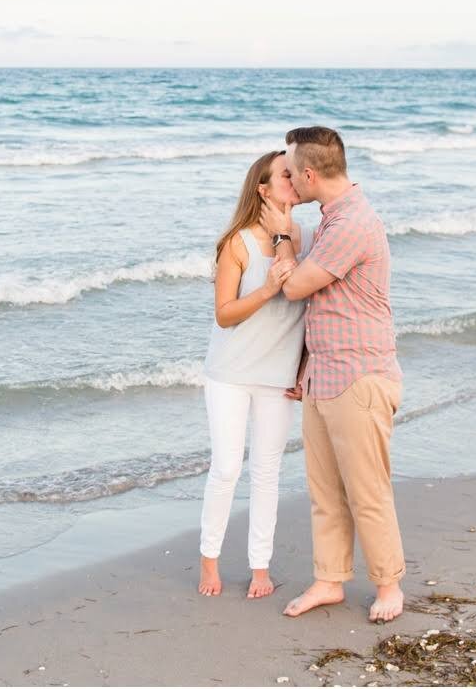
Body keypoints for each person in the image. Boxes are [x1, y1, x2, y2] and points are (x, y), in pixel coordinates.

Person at [260, 126, 406, 624]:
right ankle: (330, 580)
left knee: (366, 491)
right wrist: (302, 369)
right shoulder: (332, 218)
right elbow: (325, 306)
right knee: (324, 491)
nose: (288, 183)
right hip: (325, 374)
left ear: (308, 174)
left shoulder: (352, 224)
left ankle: (389, 586)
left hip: (360, 377)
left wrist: (281, 233)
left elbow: (298, 287)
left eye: (290, 172)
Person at [198, 150, 308, 600]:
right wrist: (266, 289)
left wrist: (304, 368)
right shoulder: (237, 244)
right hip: (230, 373)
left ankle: (259, 566)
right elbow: (224, 315)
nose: (295, 178)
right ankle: (209, 558)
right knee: (226, 468)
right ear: (263, 190)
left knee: (267, 471)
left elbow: (314, 312)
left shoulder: (309, 237)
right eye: (286, 175)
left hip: (278, 376)